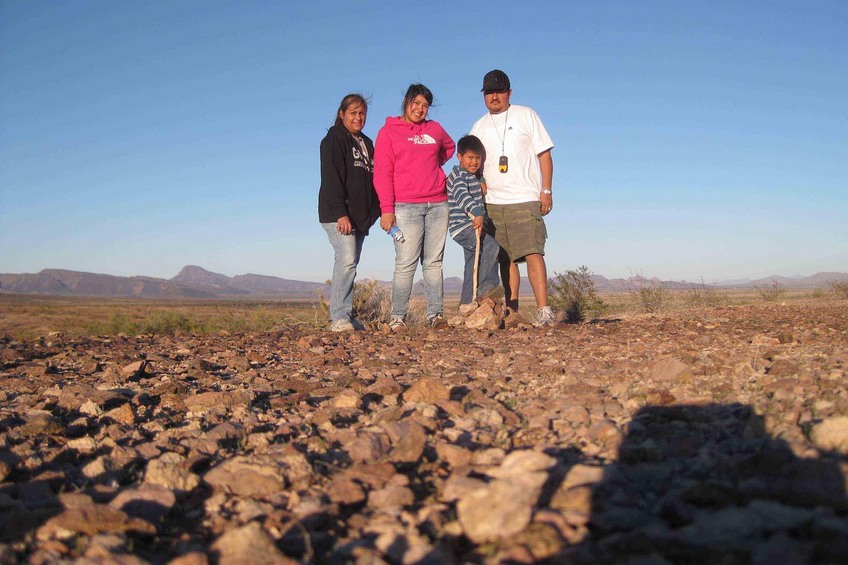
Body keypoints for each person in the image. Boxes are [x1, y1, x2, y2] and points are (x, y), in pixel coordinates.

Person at [470, 70, 556, 327]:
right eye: (489, 92)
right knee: (505, 259)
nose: (494, 96)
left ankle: (544, 310)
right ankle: (512, 311)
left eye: (499, 91)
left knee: (533, 252)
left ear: (509, 92)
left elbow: (544, 155)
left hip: (525, 197)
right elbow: (472, 163)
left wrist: (546, 190)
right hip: (493, 202)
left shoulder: (526, 115)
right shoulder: (479, 126)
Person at [374, 84, 456, 330]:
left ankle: (435, 316)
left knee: (433, 262)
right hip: (406, 207)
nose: (420, 109)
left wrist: (431, 167)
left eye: (425, 105)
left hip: (438, 204)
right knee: (406, 263)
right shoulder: (389, 132)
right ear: (407, 101)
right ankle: (398, 317)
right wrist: (386, 209)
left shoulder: (435, 129)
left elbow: (449, 148)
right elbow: (382, 173)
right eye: (416, 103)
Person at [318, 93, 381, 332]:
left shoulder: (366, 143)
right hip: (338, 214)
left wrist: (373, 212)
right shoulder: (334, 139)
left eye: (362, 113)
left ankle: (346, 313)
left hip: (359, 216)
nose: (358, 117)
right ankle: (339, 317)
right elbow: (331, 177)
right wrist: (340, 212)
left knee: (351, 263)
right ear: (342, 114)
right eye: (353, 113)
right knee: (345, 261)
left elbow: (372, 179)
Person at [446, 134, 501, 306]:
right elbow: (462, 195)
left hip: (470, 226)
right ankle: (487, 290)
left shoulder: (471, 176)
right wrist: (477, 212)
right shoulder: (459, 176)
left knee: (472, 264)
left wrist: (481, 179)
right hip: (463, 226)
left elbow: (474, 179)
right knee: (491, 246)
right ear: (459, 157)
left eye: (478, 158)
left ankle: (466, 304)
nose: (474, 162)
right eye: (470, 158)